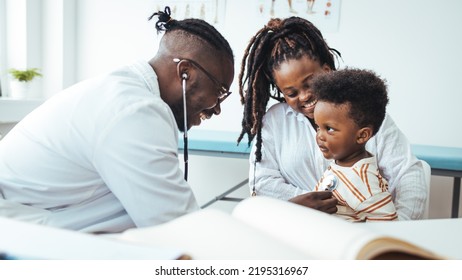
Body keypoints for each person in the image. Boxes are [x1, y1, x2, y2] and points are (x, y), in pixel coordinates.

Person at [0, 6, 234, 233]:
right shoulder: (136, 111)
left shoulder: (125, 93)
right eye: (220, 90)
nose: (217, 108)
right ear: (185, 73)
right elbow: (176, 226)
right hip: (14, 227)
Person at [237, 16, 426, 220]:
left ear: (326, 71)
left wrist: (400, 229)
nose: (304, 96)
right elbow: (262, 183)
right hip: (300, 228)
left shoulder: (363, 114)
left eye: (310, 83)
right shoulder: (274, 122)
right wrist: (310, 204)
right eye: (291, 93)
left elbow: (408, 175)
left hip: (365, 232)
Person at [311, 68, 398, 222]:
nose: (319, 136)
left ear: (362, 135)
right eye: (318, 127)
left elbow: (388, 229)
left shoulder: (364, 183)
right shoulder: (342, 165)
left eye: (329, 129)